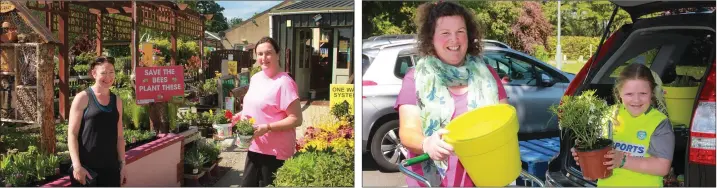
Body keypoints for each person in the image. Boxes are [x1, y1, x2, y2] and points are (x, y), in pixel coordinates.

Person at [395, 1, 509, 187]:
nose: (454, 40)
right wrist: (427, 144)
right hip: (431, 182)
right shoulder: (415, 78)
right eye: (445, 33)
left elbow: (503, 122)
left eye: (460, 32)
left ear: (469, 35)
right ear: (431, 38)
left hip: (484, 177)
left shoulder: (488, 74)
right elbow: (407, 132)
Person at [571, 63, 675, 186]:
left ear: (651, 93)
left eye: (643, 93)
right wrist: (584, 155)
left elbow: (662, 167)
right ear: (619, 93)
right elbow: (596, 150)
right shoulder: (609, 114)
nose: (636, 100)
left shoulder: (659, 122)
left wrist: (623, 160)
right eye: (629, 94)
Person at [233, 36, 303, 187]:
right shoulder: (256, 78)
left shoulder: (284, 82)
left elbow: (296, 119)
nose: (263, 58)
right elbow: (255, 107)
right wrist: (239, 116)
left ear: (278, 54)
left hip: (274, 152)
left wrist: (268, 127)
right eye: (259, 54)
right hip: (254, 146)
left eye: (268, 53)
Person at [67, 56, 126, 186]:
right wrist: (77, 166)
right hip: (87, 171)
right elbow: (72, 134)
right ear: (94, 73)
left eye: (111, 72)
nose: (108, 77)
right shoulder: (82, 98)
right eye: (103, 73)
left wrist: (122, 164)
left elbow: (120, 137)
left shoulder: (117, 101)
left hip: (110, 169)